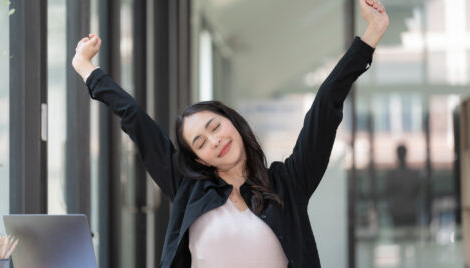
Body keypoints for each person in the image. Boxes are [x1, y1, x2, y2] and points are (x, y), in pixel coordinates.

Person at [72, 0, 388, 267]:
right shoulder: (187, 189)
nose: (215, 141)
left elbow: (326, 103)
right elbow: (134, 118)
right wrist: (87, 69)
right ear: (196, 157)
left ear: (232, 122)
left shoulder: (289, 183)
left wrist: (371, 34)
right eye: (200, 142)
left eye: (215, 127)